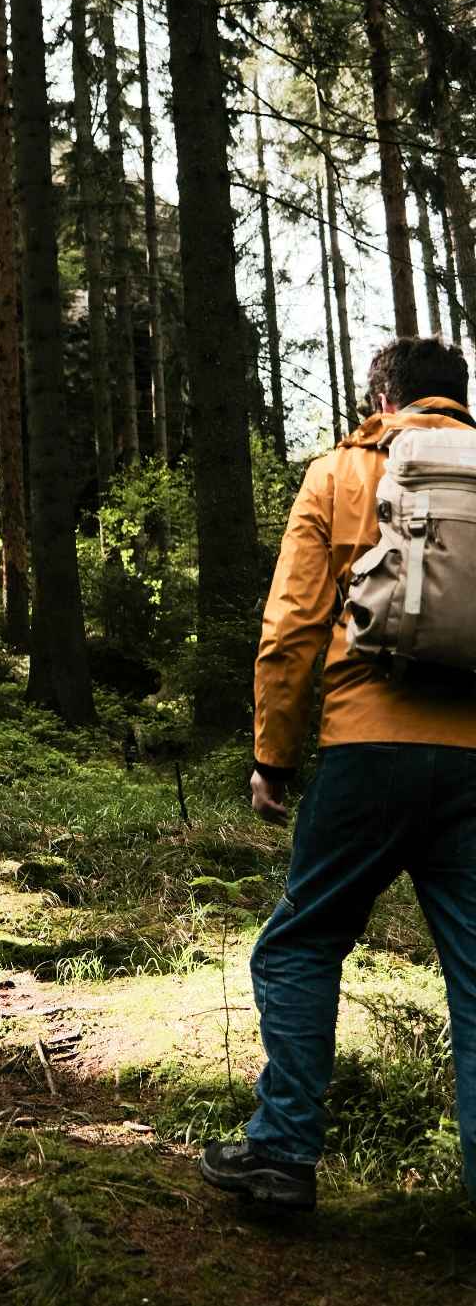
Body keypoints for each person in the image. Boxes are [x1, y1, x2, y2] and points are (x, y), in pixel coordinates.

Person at [201, 336, 476, 1210]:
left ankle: (282, 1154)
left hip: (364, 747)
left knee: (302, 943)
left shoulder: (341, 472)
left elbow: (290, 629)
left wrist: (272, 758)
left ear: (383, 396)